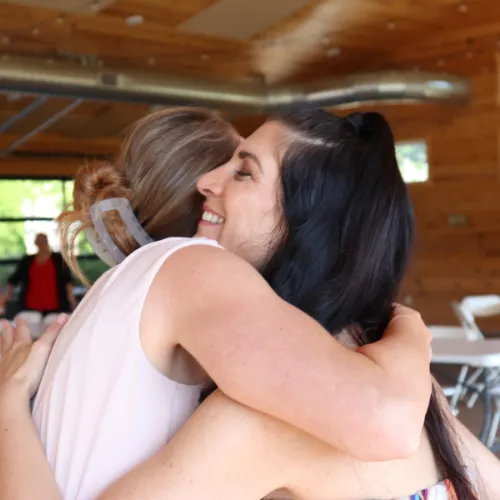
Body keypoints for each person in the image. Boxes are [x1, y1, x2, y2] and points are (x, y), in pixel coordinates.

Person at [0, 107, 434, 500]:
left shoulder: (142, 284)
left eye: (243, 172)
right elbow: (388, 422)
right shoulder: (192, 266)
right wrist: (408, 325)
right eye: (230, 165)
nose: (209, 183)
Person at [0, 232, 77, 316]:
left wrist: (72, 301)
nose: (41, 244)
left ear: (47, 242)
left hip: (56, 307)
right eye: (39, 242)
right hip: (30, 306)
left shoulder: (58, 260)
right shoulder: (27, 261)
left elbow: (68, 281)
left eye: (43, 241)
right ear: (36, 244)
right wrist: (4, 298)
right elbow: (13, 280)